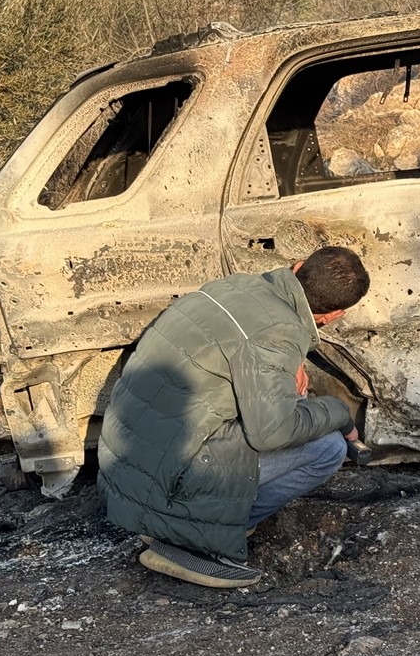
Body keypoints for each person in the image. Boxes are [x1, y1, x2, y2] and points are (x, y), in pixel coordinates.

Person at [97, 246, 370, 588]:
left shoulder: (235, 287)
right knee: (328, 448)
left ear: (298, 266)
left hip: (125, 464)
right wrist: (338, 411)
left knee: (283, 412)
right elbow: (271, 432)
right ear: (334, 315)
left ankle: (180, 520)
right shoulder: (280, 333)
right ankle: (191, 538)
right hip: (170, 478)